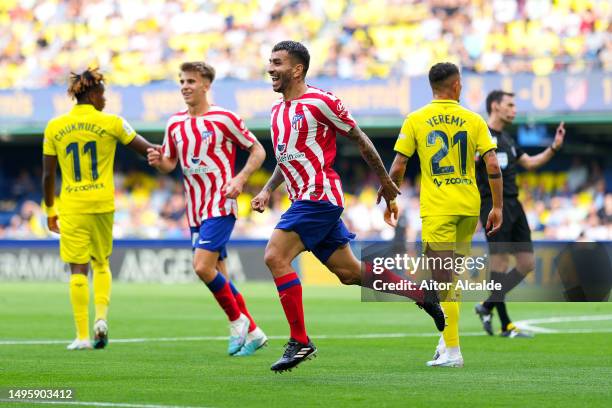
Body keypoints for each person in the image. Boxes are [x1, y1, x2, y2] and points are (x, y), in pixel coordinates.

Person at [251, 41, 445, 373]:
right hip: (304, 199)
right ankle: (421, 294)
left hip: (320, 196)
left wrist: (385, 182)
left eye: (277, 62)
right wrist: (267, 189)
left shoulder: (321, 101)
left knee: (274, 256)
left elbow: (359, 138)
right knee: (350, 273)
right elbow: (286, 159)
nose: (270, 68)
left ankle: (300, 341)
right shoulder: (275, 112)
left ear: (297, 69)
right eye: (269, 61)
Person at [384, 62, 503, 368]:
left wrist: (390, 201)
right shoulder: (474, 119)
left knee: (442, 281)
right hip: (468, 207)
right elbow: (492, 164)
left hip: (438, 209)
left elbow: (398, 166)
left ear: (432, 86)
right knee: (453, 280)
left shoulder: (416, 119)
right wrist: (497, 207)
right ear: (457, 86)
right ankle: (445, 343)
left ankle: (453, 352)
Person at [147, 61, 267, 356]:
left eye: (191, 81)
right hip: (195, 210)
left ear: (206, 85)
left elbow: (258, 150)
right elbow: (170, 163)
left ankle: (236, 321)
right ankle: (254, 332)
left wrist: (240, 179)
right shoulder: (174, 123)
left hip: (220, 203)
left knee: (202, 267)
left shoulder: (224, 118)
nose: (185, 86)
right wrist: (157, 161)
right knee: (219, 273)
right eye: (182, 81)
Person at [42, 68, 157, 350]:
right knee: (101, 263)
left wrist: (49, 211)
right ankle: (101, 319)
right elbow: (147, 149)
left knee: (77, 268)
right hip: (103, 204)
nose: (105, 99)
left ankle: (82, 336)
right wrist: (166, 151)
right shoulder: (113, 122)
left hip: (72, 206)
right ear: (93, 94)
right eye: (103, 94)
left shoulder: (55, 127)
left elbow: (48, 176)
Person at [474, 90, 566, 338]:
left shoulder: (508, 139)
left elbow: (531, 163)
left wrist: (554, 148)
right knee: (500, 264)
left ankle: (486, 306)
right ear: (495, 106)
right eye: (510, 105)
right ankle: (505, 325)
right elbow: (470, 173)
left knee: (526, 263)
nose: (514, 109)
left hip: (515, 205)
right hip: (493, 205)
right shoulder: (480, 135)